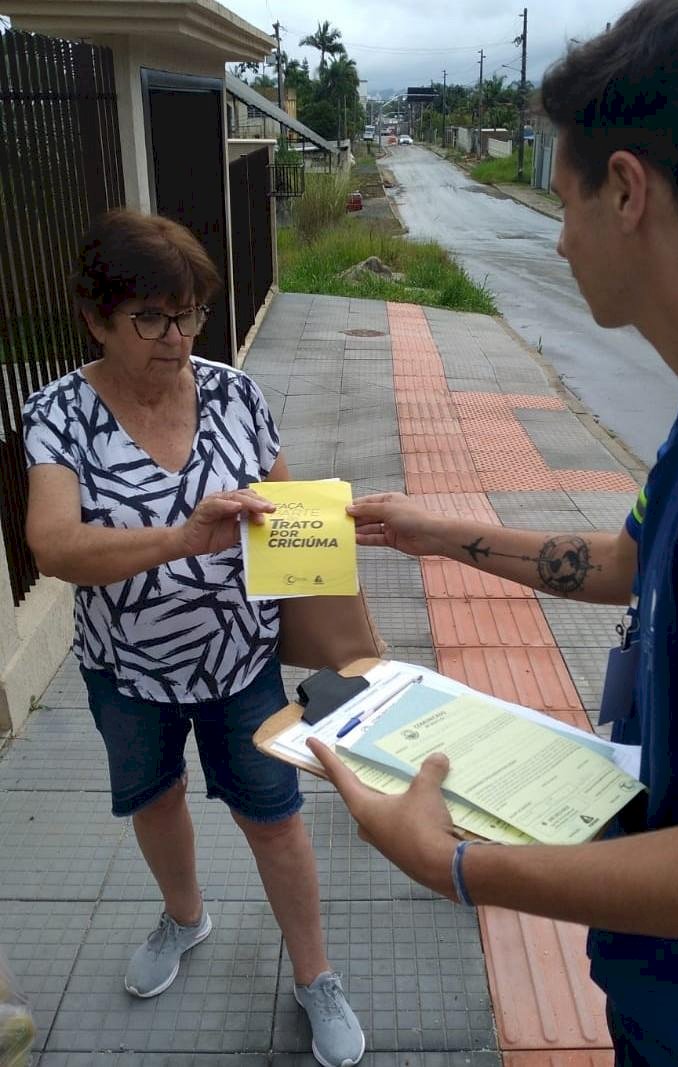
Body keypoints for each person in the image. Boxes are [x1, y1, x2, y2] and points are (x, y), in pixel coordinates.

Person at [308, 0, 678, 1063]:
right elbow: (629, 562)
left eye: (562, 195)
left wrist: (455, 863)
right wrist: (436, 531)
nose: (561, 234)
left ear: (626, 190)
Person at [22, 208, 364, 1067]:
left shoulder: (235, 393)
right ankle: (185, 916)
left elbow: (293, 520)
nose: (176, 337)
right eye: (151, 318)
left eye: (188, 314)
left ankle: (315, 975)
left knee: (275, 818)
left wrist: (345, 578)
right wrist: (182, 536)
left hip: (239, 658)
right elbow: (54, 545)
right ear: (95, 317)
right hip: (126, 666)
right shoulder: (57, 414)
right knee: (156, 798)